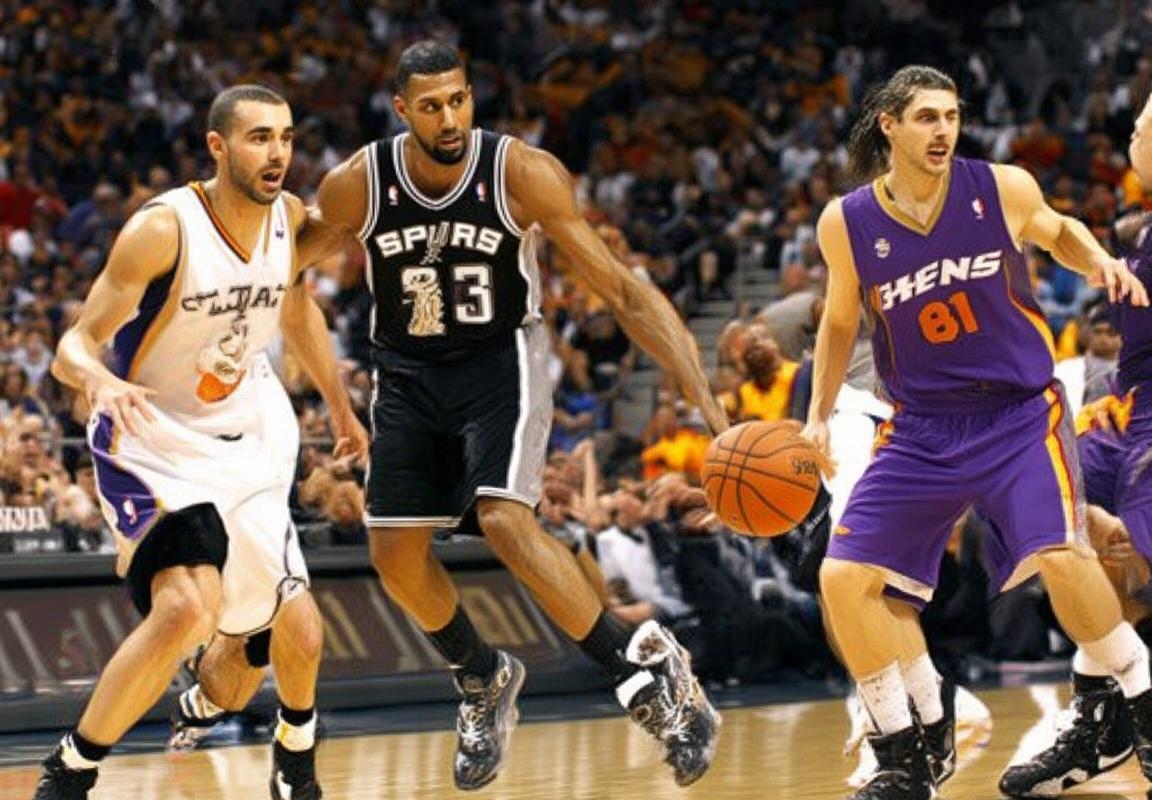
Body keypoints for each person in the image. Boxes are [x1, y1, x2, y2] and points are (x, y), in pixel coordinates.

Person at [313, 40, 726, 790]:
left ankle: (642, 676)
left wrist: (705, 400)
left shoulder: (519, 173)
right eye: (431, 106)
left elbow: (623, 291)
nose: (449, 118)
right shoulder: (358, 184)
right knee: (394, 556)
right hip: (405, 374)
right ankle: (481, 675)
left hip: (498, 362)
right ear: (402, 110)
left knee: (504, 519)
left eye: (459, 100)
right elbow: (274, 263)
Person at [802, 64, 1151, 800]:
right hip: (922, 426)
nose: (944, 131)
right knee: (842, 579)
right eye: (927, 117)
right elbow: (838, 323)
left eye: (953, 116)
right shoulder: (847, 221)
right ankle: (904, 754)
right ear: (890, 126)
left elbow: (1058, 231)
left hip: (1018, 412)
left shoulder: (1000, 186)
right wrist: (815, 416)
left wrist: (1099, 262)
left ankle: (1141, 696)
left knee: (1059, 553)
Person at [33, 84, 368, 800]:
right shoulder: (164, 229)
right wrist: (98, 381)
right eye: (259, 137)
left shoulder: (287, 219)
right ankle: (71, 770)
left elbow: (297, 309)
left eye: (285, 137)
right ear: (218, 146)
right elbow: (73, 343)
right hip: (152, 435)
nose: (277, 152)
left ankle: (292, 759)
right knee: (187, 606)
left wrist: (341, 408)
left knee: (298, 634)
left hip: (247, 435)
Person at [998, 91, 1152, 798]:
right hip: (1127, 407)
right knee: (1066, 536)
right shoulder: (1136, 231)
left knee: (1130, 561)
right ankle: (1100, 717)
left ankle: (1107, 717)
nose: (1133, 135)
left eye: (1143, 126)